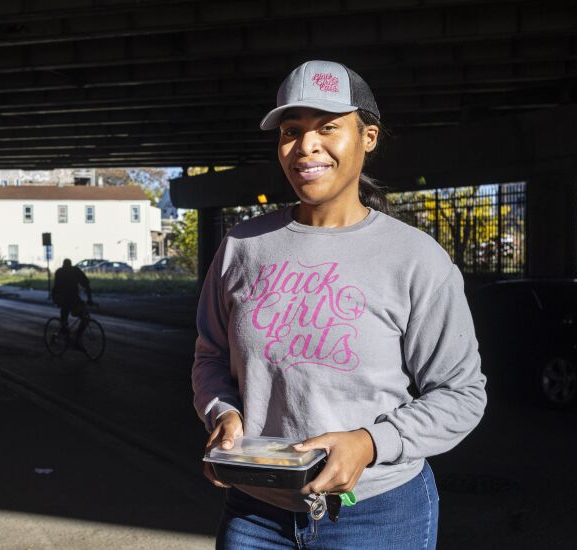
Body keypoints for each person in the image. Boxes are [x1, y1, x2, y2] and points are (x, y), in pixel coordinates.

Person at [192, 60, 487, 549]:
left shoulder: (415, 258)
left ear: (368, 137)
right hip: (255, 512)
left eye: (327, 127)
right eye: (291, 131)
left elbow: (461, 394)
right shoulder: (242, 247)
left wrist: (369, 443)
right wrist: (222, 413)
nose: (306, 146)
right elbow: (211, 357)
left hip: (378, 513)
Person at [51, 259, 94, 341]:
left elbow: (55, 288)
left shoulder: (59, 272)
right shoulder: (75, 271)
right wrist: (90, 299)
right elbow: (86, 285)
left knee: (64, 320)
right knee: (85, 317)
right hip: (71, 299)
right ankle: (76, 337)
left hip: (62, 299)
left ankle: (65, 332)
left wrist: (55, 299)